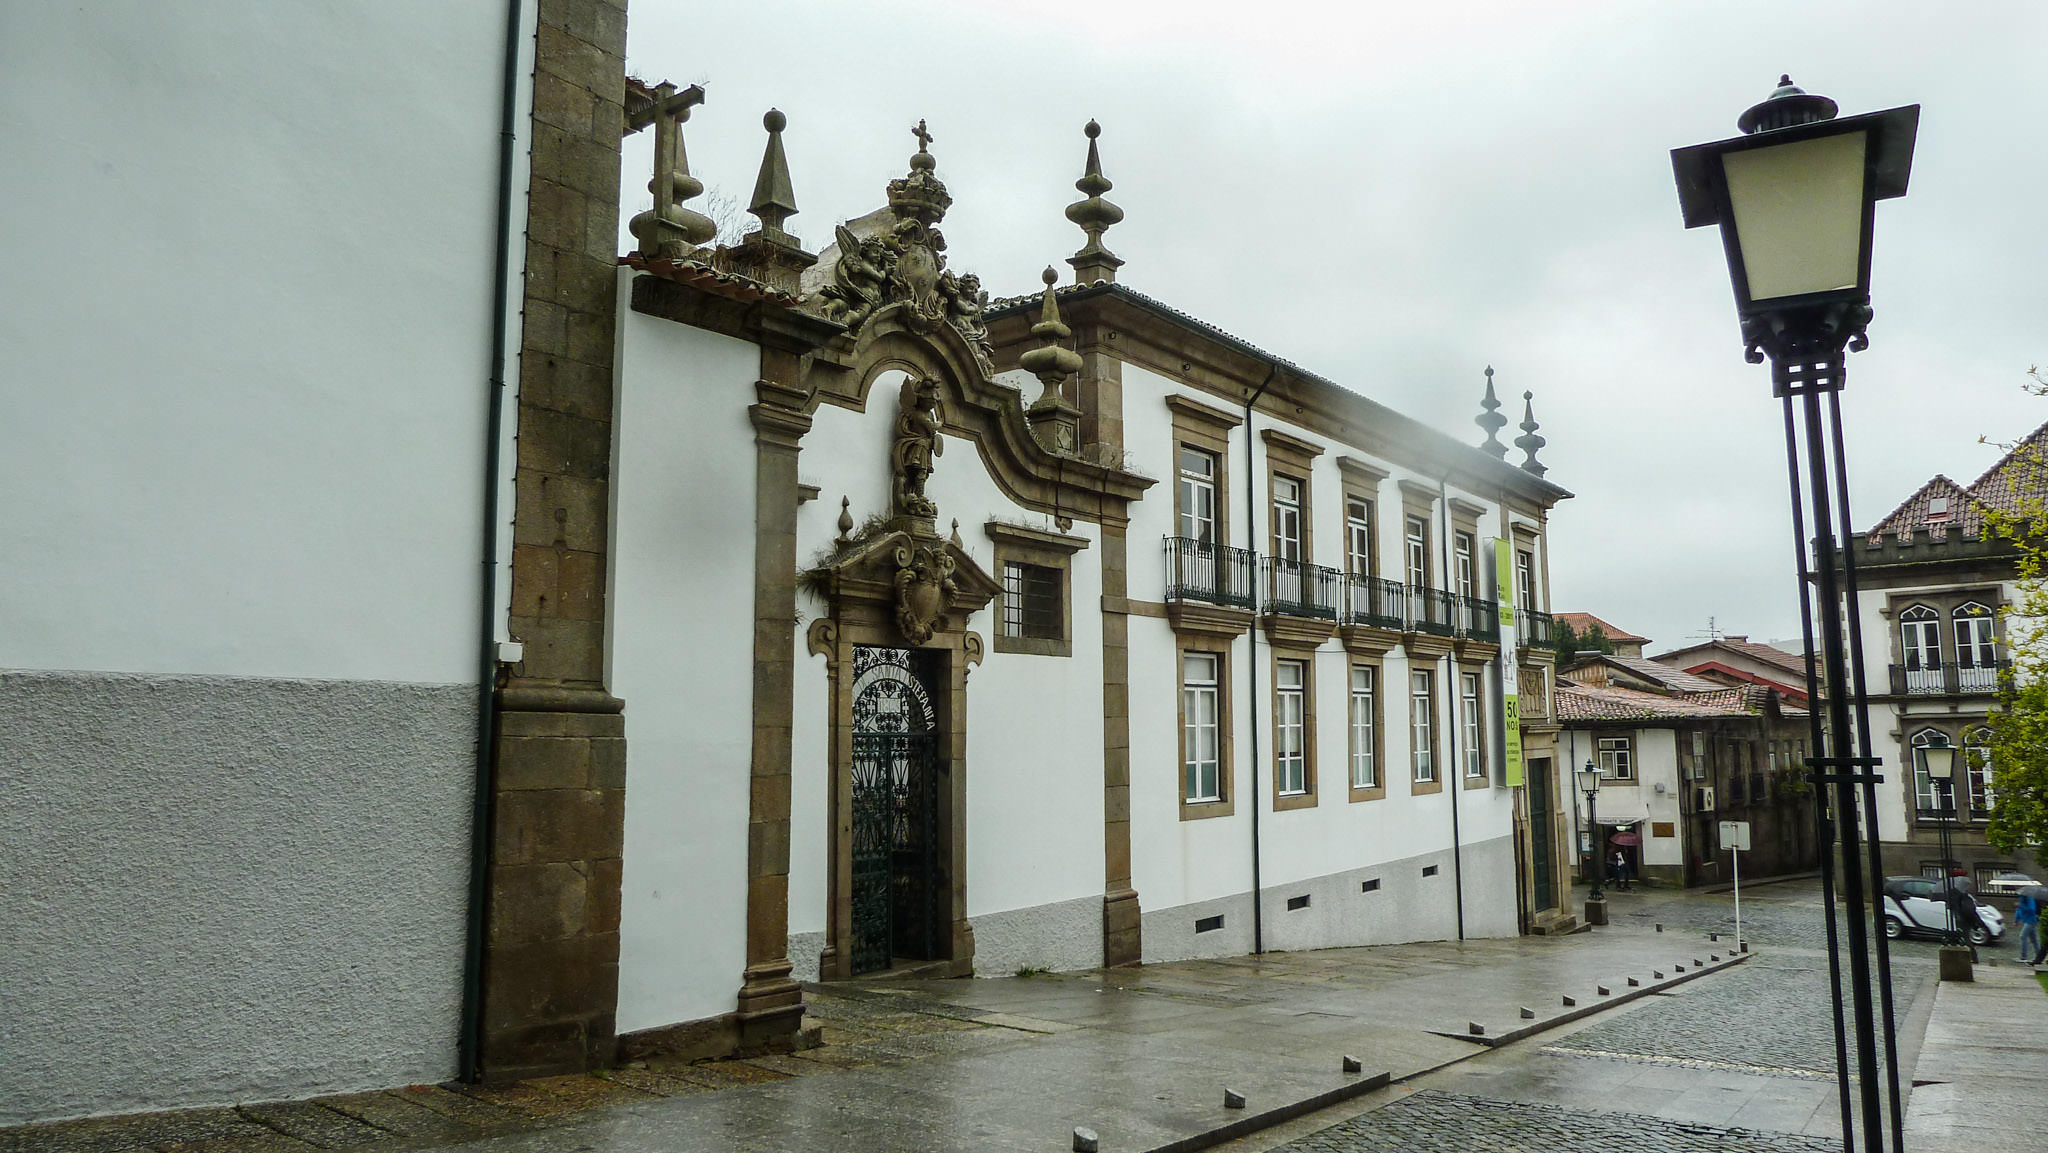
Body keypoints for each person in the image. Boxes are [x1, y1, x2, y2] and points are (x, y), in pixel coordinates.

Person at [2015, 891, 2041, 966]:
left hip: (2031, 920)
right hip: (2026, 920)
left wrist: (2021, 905)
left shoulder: (2029, 897)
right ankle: (2039, 956)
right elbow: (2019, 910)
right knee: (2034, 939)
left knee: (2023, 936)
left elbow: (2032, 909)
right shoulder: (2021, 897)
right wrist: (2016, 920)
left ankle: (2023, 957)